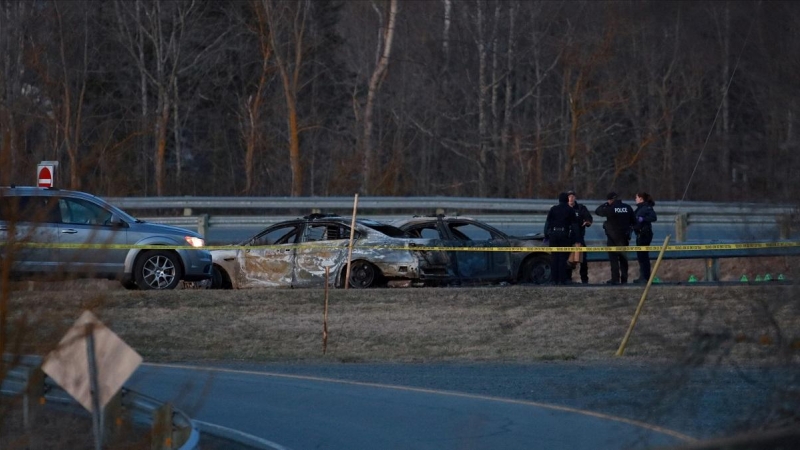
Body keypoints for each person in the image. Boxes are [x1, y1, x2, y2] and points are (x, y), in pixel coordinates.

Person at [595, 192, 635, 285]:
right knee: (623, 259)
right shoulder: (627, 207)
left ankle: (615, 279)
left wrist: (605, 204)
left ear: (610, 200)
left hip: (612, 237)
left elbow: (598, 211)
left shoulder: (610, 208)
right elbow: (634, 221)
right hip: (624, 237)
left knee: (614, 259)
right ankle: (624, 279)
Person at [543, 192, 579, 285]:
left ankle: (553, 280)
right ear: (567, 200)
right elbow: (575, 226)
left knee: (554, 258)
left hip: (553, 235)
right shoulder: (570, 210)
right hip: (564, 235)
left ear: (559, 200)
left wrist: (546, 235)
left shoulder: (553, 209)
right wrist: (577, 238)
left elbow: (547, 223)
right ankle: (562, 280)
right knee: (563, 258)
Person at [565, 189, 593, 284]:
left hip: (579, 238)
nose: (571, 198)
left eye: (572, 196)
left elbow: (589, 219)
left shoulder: (581, 208)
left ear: (575, 197)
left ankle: (584, 280)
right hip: (567, 238)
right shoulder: (563, 208)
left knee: (583, 260)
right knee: (568, 260)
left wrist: (587, 222)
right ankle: (568, 279)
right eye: (569, 196)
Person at [632, 192, 657, 283]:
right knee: (641, 256)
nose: (635, 199)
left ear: (641, 198)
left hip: (645, 234)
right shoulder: (639, 208)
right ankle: (643, 276)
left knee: (643, 256)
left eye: (636, 197)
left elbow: (654, 217)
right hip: (639, 234)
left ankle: (645, 277)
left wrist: (643, 219)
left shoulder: (646, 207)